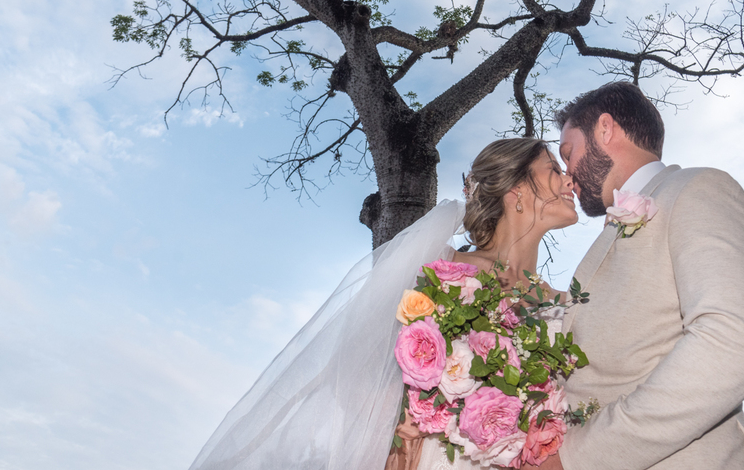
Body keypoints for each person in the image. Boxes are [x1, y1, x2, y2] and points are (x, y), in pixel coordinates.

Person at [188, 137, 578, 470]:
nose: (568, 179)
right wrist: (399, 428)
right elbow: (358, 364)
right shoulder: (444, 270)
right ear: (516, 190)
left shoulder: (564, 303)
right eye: (553, 169)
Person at [537, 81, 744, 470]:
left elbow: (734, 345)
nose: (567, 172)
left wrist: (574, 459)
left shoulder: (696, 188)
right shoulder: (608, 234)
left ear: (605, 129)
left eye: (568, 152)